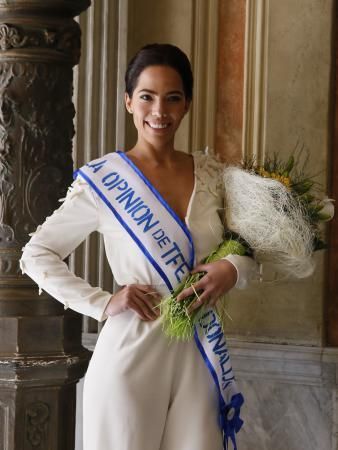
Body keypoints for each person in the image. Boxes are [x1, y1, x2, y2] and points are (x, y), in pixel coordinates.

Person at [20, 43, 257, 450]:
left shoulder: (213, 175)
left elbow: (248, 247)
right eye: (147, 97)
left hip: (197, 352)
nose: (159, 112)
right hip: (130, 353)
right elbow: (36, 254)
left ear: (187, 105)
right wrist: (102, 302)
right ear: (129, 101)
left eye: (172, 98)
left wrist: (231, 269)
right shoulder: (105, 181)